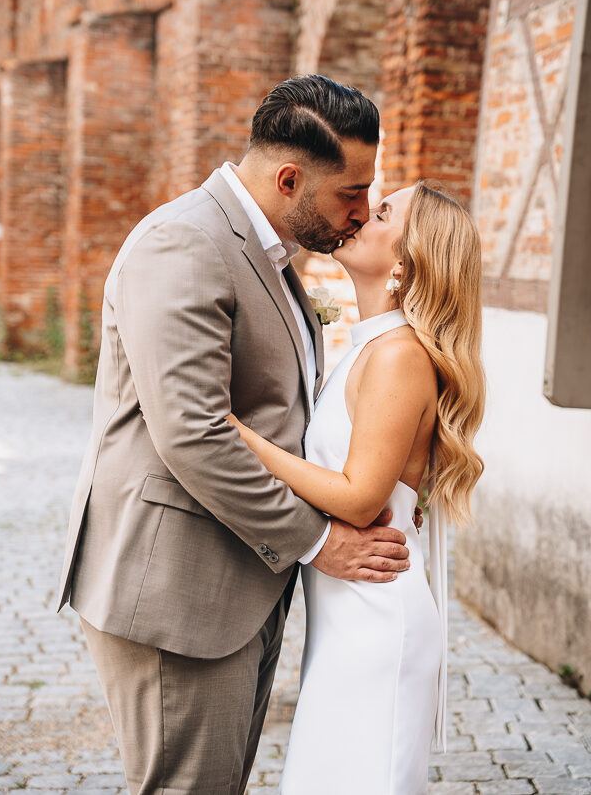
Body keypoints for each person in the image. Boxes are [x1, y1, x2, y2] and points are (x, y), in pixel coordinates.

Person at [57, 75, 417, 794]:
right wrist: (319, 542)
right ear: (289, 177)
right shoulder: (184, 242)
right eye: (351, 193)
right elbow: (192, 433)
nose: (358, 213)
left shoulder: (270, 251)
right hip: (177, 594)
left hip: (238, 583)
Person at [228, 180, 486, 794]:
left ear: (406, 261)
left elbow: (360, 497)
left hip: (376, 624)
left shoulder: (399, 354)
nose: (361, 213)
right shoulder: (368, 343)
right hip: (345, 622)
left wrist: (237, 436)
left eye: (383, 211)